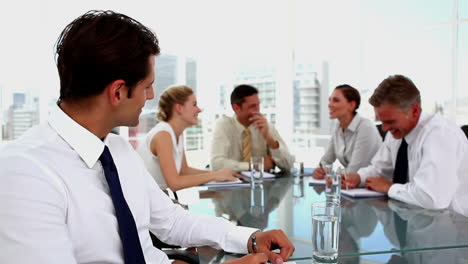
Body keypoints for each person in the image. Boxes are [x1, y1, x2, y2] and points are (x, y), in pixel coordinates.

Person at [0, 10, 294, 264]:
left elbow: (172, 221)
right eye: (147, 86)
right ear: (118, 92)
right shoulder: (24, 172)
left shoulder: (116, 149)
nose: (152, 96)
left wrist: (251, 238)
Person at [344, 75, 468, 215]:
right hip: (415, 219)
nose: (384, 129)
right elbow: (380, 169)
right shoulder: (397, 134)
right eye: (381, 121)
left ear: (414, 111)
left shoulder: (440, 134)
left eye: (390, 121)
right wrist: (358, 178)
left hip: (452, 225)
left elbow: (431, 198)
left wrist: (390, 188)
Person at [137, 85, 240, 192]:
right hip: (144, 200)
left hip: (157, 197)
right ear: (179, 108)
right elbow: (175, 183)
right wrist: (214, 175)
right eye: (194, 104)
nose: (199, 110)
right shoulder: (163, 135)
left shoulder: (177, 134)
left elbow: (184, 171)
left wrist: (219, 174)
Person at [211, 84, 294, 172]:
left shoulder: (266, 126)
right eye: (252, 106)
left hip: (262, 184)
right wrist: (254, 166)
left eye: (258, 105)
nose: (257, 110)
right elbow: (216, 164)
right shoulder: (224, 125)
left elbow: (288, 165)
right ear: (236, 108)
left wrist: (269, 138)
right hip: (231, 183)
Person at [312, 84, 382, 179]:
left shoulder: (366, 127)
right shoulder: (338, 127)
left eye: (336, 100)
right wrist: (319, 170)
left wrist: (334, 176)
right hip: (351, 187)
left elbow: (355, 171)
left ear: (352, 105)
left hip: (369, 187)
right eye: (330, 100)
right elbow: (326, 161)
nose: (330, 104)